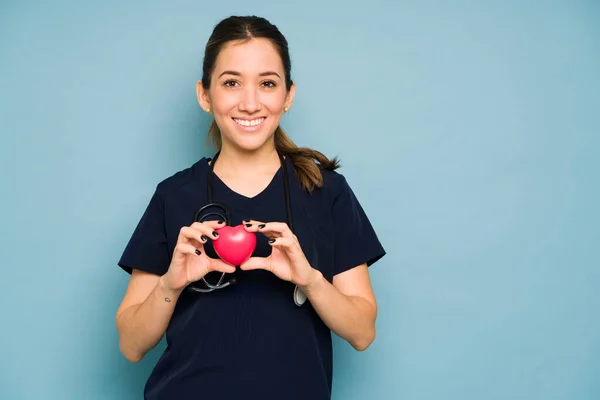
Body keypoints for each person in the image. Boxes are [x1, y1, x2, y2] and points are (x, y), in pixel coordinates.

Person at [115, 15, 386, 400]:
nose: (250, 102)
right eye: (231, 83)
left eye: (267, 83)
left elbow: (363, 332)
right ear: (205, 95)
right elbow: (130, 344)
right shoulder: (173, 196)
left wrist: (309, 279)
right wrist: (170, 284)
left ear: (288, 96)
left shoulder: (327, 193)